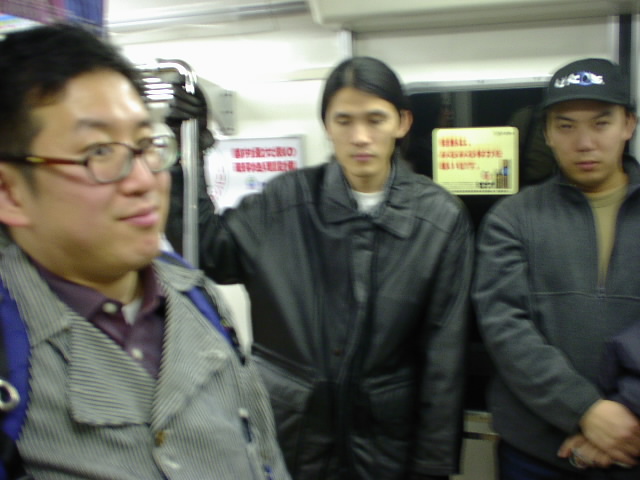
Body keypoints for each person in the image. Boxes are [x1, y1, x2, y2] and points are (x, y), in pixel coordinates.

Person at [0, 23, 289, 479]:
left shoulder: (198, 299)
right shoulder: (13, 348)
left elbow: (264, 455)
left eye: (146, 144)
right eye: (99, 152)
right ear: (10, 192)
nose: (143, 180)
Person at [166, 56, 474, 480]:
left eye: (375, 120)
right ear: (327, 125)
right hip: (292, 436)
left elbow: (445, 357)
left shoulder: (438, 219)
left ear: (402, 123)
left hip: (387, 443)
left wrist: (432, 467)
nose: (360, 137)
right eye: (344, 120)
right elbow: (208, 251)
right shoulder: (284, 202)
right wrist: (186, 151)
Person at [472, 57, 640, 479]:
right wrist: (584, 410)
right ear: (547, 133)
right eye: (565, 126)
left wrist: (626, 411)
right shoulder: (513, 218)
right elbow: (504, 327)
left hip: (633, 442)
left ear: (628, 125)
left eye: (601, 124)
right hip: (535, 453)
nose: (584, 142)